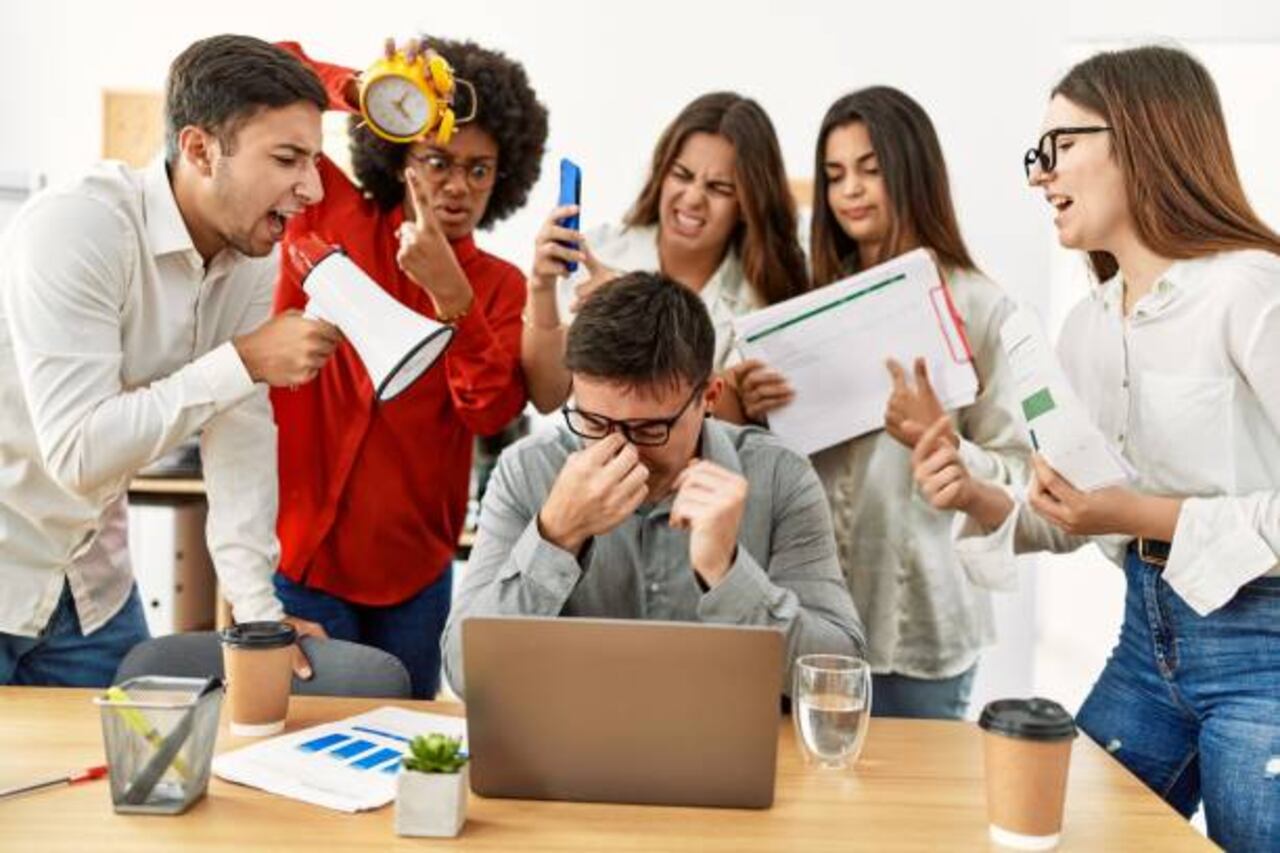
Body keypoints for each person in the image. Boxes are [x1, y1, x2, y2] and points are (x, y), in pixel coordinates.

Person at [910, 46, 1280, 850]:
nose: (1040, 175)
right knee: (1049, 832)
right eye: (1034, 157)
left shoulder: (1249, 290)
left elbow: (1121, 508)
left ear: (1142, 136)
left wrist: (1137, 510)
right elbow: (1078, 511)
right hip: (1147, 644)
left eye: (1059, 146)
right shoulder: (1087, 325)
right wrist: (975, 491)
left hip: (1265, 654)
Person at [0, 35, 338, 686]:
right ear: (200, 149)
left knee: (139, 774)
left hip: (92, 582)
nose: (313, 188)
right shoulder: (79, 227)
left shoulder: (248, 257)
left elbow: (239, 433)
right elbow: (76, 451)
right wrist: (241, 361)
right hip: (7, 558)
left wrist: (259, 613)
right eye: (289, 159)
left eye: (314, 160)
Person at [725, 87, 1030, 719]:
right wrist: (749, 408)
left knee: (914, 813)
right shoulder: (799, 308)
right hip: (806, 615)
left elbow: (1021, 474)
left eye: (871, 169)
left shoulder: (979, 305)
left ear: (913, 171)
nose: (850, 192)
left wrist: (941, 442)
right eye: (835, 175)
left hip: (920, 625)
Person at [270, 38, 546, 698]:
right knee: (306, 754)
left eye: (479, 170)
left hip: (417, 574)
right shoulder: (329, 212)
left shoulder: (500, 286)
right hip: (303, 556)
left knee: (400, 754)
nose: (457, 186)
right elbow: (265, 68)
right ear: (399, 158)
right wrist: (366, 89)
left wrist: (456, 300)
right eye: (437, 161)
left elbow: (490, 411)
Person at [443, 271, 865, 696]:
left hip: (725, 751)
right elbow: (464, 676)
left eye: (648, 428)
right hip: (566, 753)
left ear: (710, 397)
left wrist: (727, 572)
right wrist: (555, 535)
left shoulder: (780, 476)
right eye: (593, 421)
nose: (619, 449)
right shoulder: (527, 470)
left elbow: (837, 677)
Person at [520, 91, 809, 414]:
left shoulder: (761, 295)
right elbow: (547, 397)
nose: (693, 198)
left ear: (747, 203)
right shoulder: (599, 253)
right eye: (682, 176)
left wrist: (632, 316)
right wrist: (541, 287)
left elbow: (732, 416)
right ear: (661, 173)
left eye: (718, 188)